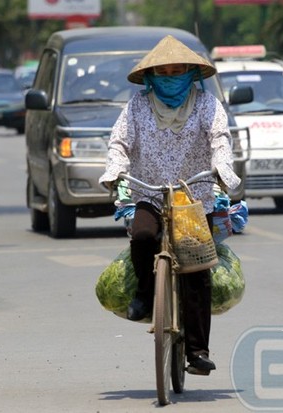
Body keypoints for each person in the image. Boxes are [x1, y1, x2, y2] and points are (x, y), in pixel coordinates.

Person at [99, 35, 241, 373]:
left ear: (191, 73)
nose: (171, 76)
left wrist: (222, 167)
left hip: (194, 196)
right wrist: (116, 169)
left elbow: (220, 140)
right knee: (144, 238)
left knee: (196, 270)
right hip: (149, 192)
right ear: (151, 76)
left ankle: (197, 351)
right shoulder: (136, 106)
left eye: (178, 70)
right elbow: (118, 142)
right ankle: (147, 297)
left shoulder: (208, 105)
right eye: (164, 71)